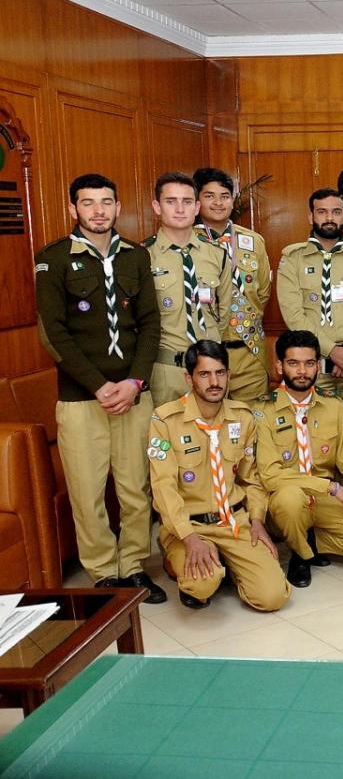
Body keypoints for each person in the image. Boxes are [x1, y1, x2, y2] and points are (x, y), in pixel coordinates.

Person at [34, 173, 165, 603]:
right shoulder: (53, 258)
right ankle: (105, 574)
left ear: (117, 207)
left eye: (106, 202)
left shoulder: (136, 256)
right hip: (81, 399)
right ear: (73, 208)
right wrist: (99, 386)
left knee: (135, 488)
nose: (98, 211)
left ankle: (134, 566)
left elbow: (150, 324)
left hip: (133, 396)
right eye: (88, 203)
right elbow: (52, 333)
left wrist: (134, 382)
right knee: (87, 492)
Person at [148, 340, 290, 611]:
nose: (214, 382)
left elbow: (251, 478)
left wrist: (257, 520)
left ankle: (230, 564)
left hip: (233, 522)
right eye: (204, 374)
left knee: (273, 597)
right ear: (188, 378)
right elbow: (163, 488)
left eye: (220, 373)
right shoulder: (166, 420)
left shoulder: (242, 417)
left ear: (229, 375)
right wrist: (189, 538)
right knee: (202, 585)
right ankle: (177, 556)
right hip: (191, 525)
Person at [255, 330, 343, 588]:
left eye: (309, 363)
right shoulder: (262, 411)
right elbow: (270, 475)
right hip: (284, 500)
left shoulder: (333, 406)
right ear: (280, 366)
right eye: (293, 363)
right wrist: (332, 487)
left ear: (318, 365)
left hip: (324, 500)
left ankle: (313, 540)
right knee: (291, 499)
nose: (302, 371)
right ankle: (300, 554)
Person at [277, 188, 343, 407]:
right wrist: (332, 352)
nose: (329, 218)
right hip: (311, 365)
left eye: (336, 212)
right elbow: (294, 315)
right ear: (311, 216)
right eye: (322, 212)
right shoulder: (293, 259)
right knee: (317, 424)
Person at [143, 171, 234, 407]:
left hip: (211, 370)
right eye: (171, 201)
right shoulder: (143, 257)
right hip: (167, 370)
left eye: (186, 201)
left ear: (197, 207)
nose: (180, 209)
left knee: (215, 429)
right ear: (157, 207)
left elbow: (224, 312)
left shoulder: (217, 254)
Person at [194, 167, 271, 401]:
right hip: (205, 355)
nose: (218, 203)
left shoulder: (253, 241)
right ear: (197, 201)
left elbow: (263, 292)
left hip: (249, 352)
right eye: (210, 196)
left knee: (254, 419)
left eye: (225, 196)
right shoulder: (188, 242)